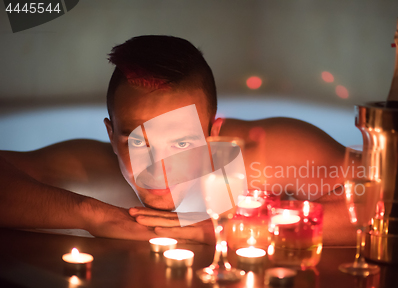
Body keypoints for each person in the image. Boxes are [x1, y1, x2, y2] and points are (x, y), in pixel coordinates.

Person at [0, 35, 355, 245]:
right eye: (137, 141)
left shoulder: (263, 151)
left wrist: (225, 230)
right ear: (111, 136)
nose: (158, 168)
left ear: (213, 134)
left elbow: (383, 201)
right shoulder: (93, 170)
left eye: (182, 144)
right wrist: (91, 214)